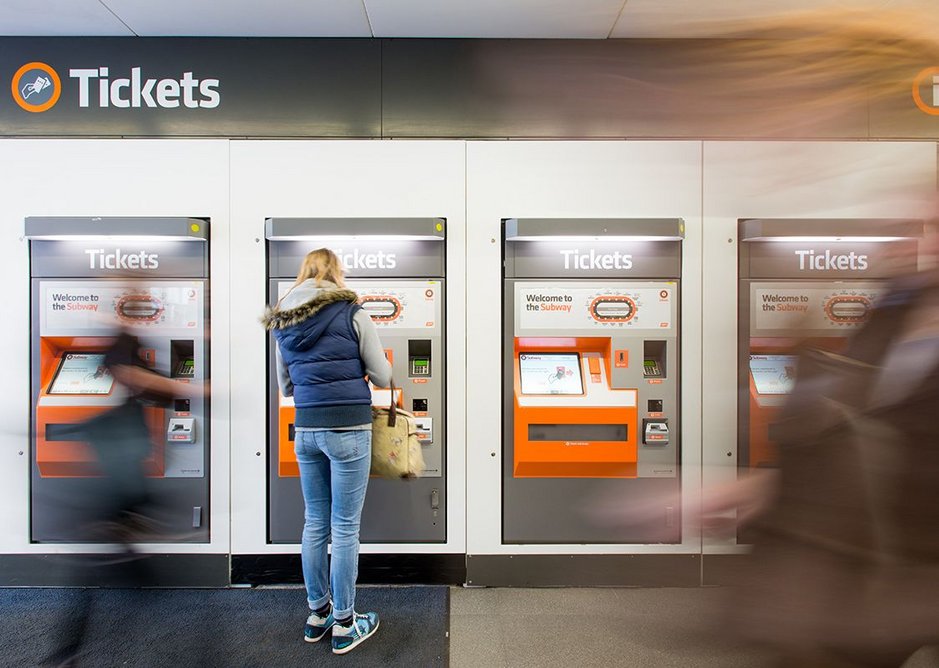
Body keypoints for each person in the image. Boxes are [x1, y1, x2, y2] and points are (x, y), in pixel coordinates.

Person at [263, 248, 391, 655]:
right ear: (336, 273)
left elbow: (285, 386)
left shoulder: (283, 319)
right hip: (349, 427)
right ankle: (346, 623)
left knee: (315, 522)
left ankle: (318, 613)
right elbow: (383, 374)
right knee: (345, 527)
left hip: (307, 429)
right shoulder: (352, 312)